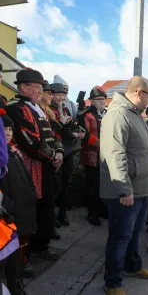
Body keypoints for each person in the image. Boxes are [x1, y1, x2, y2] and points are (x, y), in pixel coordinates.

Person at [100, 76, 148, 295]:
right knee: (120, 237)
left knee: (133, 233)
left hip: (140, 188)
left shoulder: (133, 113)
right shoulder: (118, 114)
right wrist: (124, 188)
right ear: (139, 93)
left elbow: (137, 150)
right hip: (125, 191)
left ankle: (132, 266)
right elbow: (115, 155)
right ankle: (112, 283)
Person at [6, 69, 63, 260]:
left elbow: (52, 134)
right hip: (29, 168)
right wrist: (53, 156)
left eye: (41, 88)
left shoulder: (37, 108)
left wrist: (59, 153)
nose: (40, 91)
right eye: (37, 87)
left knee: (46, 206)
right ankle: (25, 255)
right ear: (23, 87)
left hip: (45, 165)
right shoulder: (16, 109)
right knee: (31, 210)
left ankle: (41, 246)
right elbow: (30, 142)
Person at [0, 114, 37, 293]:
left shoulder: (14, 152)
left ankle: (16, 281)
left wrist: (31, 192)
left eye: (9, 130)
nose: (6, 133)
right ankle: (12, 283)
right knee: (7, 253)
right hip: (8, 213)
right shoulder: (3, 157)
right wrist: (9, 206)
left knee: (17, 249)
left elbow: (26, 176)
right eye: (3, 130)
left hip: (21, 209)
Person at [50, 83, 85, 226]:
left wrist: (78, 131)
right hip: (55, 149)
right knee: (55, 184)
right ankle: (52, 216)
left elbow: (71, 125)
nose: (61, 97)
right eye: (58, 94)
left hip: (68, 149)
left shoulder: (64, 108)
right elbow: (55, 129)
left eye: (63, 94)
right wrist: (69, 130)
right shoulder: (49, 109)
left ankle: (62, 213)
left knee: (65, 182)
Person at [78, 86, 107, 226]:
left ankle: (101, 210)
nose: (102, 101)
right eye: (98, 99)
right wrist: (102, 144)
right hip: (91, 155)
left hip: (105, 156)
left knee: (104, 184)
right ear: (91, 101)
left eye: (103, 99)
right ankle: (92, 213)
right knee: (93, 186)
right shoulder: (85, 114)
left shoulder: (108, 113)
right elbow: (85, 135)